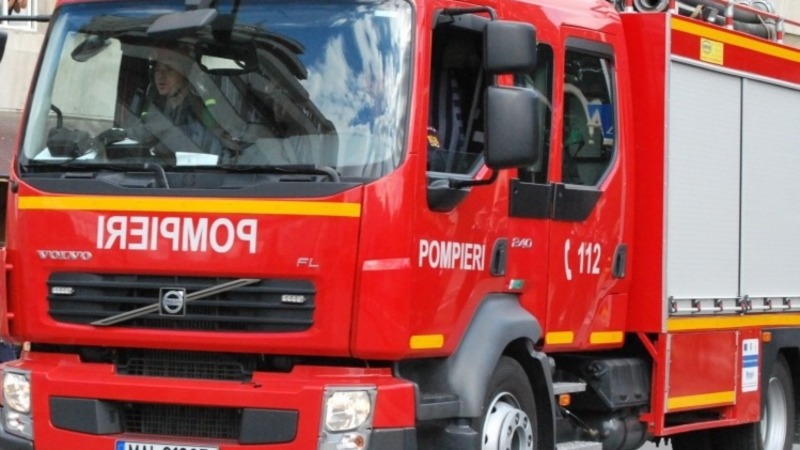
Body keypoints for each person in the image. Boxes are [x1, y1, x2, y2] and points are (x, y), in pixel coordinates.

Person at [125, 46, 226, 160]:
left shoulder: (202, 109)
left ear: (185, 73)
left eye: (169, 69)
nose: (161, 76)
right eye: (157, 70)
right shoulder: (157, 106)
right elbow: (143, 133)